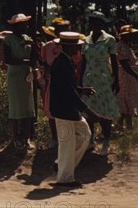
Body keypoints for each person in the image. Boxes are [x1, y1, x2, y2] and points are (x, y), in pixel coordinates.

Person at [49, 32, 102, 188]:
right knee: (67, 143)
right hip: (63, 110)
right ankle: (65, 178)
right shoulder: (62, 63)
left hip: (67, 110)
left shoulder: (65, 61)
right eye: (76, 45)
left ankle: (61, 164)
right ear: (68, 46)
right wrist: (88, 111)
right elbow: (68, 92)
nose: (79, 48)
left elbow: (69, 87)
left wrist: (81, 89)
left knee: (85, 135)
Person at [81, 11, 119, 156]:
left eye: (98, 22)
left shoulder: (109, 40)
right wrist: (80, 81)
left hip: (104, 79)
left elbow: (114, 61)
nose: (94, 25)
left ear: (102, 24)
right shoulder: (86, 40)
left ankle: (106, 141)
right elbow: (84, 61)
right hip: (89, 78)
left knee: (104, 111)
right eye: (92, 22)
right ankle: (91, 140)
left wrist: (117, 80)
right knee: (89, 110)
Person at [2, 14, 37, 150]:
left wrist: (33, 47)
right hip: (15, 76)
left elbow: (34, 58)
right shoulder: (8, 40)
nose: (26, 26)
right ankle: (16, 138)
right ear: (16, 26)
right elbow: (8, 60)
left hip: (26, 76)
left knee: (28, 107)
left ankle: (26, 138)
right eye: (23, 24)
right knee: (16, 107)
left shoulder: (29, 39)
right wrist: (26, 61)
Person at [39, 18, 71, 148]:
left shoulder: (72, 45)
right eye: (60, 29)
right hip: (52, 81)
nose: (63, 32)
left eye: (65, 29)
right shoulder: (47, 46)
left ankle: (68, 137)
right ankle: (54, 137)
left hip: (68, 81)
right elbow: (45, 64)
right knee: (51, 110)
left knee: (68, 109)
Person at [116, 25, 138, 131]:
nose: (132, 36)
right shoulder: (122, 46)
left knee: (129, 100)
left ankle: (121, 124)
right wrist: (137, 76)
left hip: (129, 77)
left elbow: (133, 59)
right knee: (127, 100)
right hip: (126, 77)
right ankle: (128, 126)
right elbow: (124, 64)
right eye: (130, 35)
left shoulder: (127, 45)